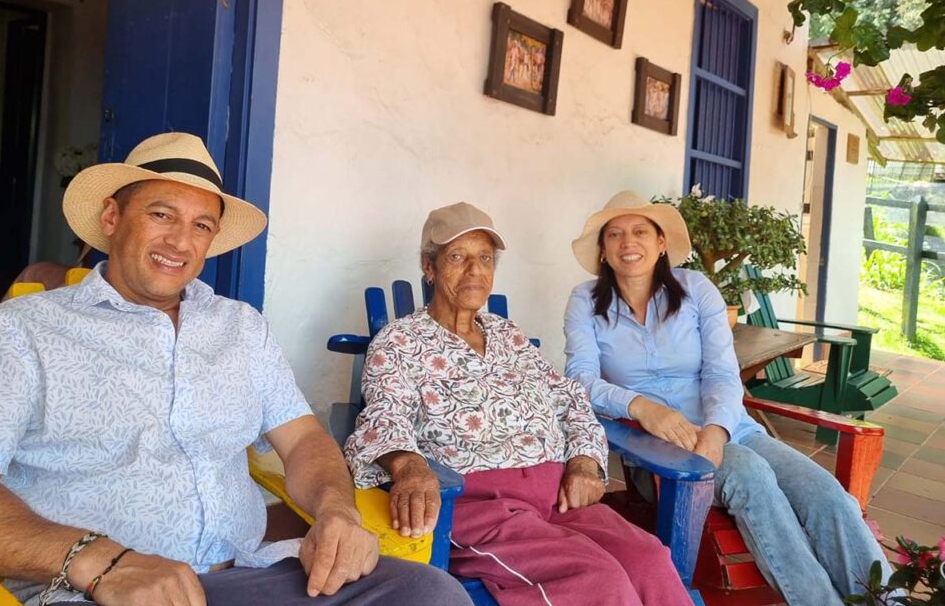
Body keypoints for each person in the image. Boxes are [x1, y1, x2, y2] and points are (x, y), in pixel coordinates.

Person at [0, 133, 468, 606]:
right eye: (161, 215)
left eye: (201, 225)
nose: (180, 242)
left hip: (247, 577)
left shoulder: (241, 327)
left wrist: (337, 511)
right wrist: (100, 562)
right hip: (93, 589)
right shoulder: (23, 331)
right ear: (111, 218)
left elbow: (303, 439)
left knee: (430, 593)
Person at [344, 202, 691, 606]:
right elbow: (383, 415)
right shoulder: (399, 341)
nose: (474, 270)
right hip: (480, 508)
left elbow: (570, 399)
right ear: (429, 267)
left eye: (485, 258)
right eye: (457, 257)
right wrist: (409, 467)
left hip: (558, 498)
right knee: (596, 579)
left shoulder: (508, 334)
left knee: (649, 559)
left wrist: (583, 463)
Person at [562, 190, 892, 606]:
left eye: (640, 231)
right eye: (615, 234)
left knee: (826, 494)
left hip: (734, 430)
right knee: (750, 476)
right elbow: (580, 380)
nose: (628, 242)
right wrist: (641, 407)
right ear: (604, 250)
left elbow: (722, 372)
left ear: (661, 243)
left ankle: (890, 600)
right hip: (658, 445)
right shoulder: (586, 301)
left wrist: (717, 432)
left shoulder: (695, 289)